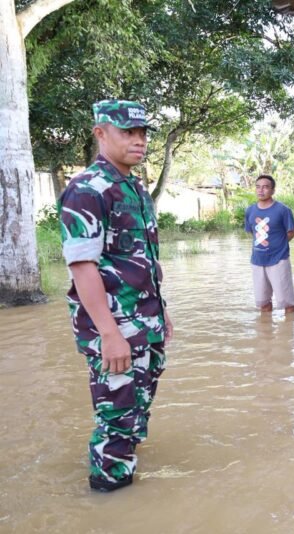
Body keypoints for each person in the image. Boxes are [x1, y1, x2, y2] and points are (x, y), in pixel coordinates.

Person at [58, 99, 173, 492]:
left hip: (145, 323)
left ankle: (121, 467)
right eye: (127, 132)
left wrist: (162, 312)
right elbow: (82, 266)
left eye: (142, 133)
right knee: (117, 416)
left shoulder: (134, 188)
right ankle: (108, 491)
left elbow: (144, 260)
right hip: (116, 328)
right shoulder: (87, 190)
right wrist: (108, 333)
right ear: (100, 133)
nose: (138, 140)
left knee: (135, 409)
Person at [244, 174, 294, 314]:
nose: (261, 190)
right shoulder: (250, 210)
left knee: (287, 303)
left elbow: (291, 232)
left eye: (266, 187)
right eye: (258, 187)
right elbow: (252, 232)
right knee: (263, 303)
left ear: (273, 190)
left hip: (279, 260)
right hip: (257, 261)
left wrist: (278, 247)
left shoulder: (283, 210)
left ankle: (287, 333)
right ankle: (265, 333)